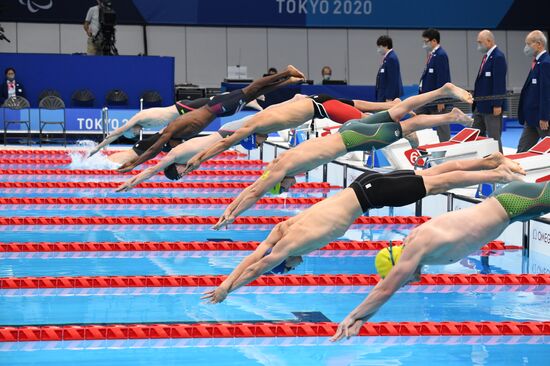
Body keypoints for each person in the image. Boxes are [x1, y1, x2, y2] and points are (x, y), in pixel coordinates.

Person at [201, 153, 526, 304]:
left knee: (440, 184)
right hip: (363, 184)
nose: (296, 266)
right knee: (436, 174)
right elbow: (257, 252)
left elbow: (260, 264)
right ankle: (489, 161)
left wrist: (228, 290)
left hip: (371, 195)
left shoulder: (290, 246)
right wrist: (227, 280)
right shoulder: (284, 228)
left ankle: (500, 175)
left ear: (286, 261)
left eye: (288, 268)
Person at [209, 83, 475, 228]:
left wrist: (232, 216)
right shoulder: (281, 162)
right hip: (346, 130)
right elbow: (252, 188)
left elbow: (255, 192)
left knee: (409, 125)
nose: (292, 185)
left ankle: (449, 114)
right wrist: (229, 209)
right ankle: (445, 94)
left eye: (286, 187)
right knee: (400, 110)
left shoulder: (281, 169)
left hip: (355, 140)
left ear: (280, 181)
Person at [331, 179, 549, 341]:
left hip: (513, 203)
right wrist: (363, 319)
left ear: (399, 266)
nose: (408, 282)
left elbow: (385, 289)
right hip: (510, 209)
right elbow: (387, 287)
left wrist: (350, 317)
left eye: (403, 278)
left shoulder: (417, 247)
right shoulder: (417, 249)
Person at [108, 66, 306, 172]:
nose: (176, 146)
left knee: (251, 90)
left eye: (172, 145)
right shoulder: (179, 137)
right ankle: (288, 80)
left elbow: (152, 150)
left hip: (217, 106)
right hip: (221, 111)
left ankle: (287, 72)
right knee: (253, 94)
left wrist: (135, 164)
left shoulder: (170, 131)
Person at [180, 94, 400, 175]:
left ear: (249, 137)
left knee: (364, 123)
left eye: (254, 145)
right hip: (316, 101)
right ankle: (391, 106)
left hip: (321, 107)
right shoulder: (265, 120)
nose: (258, 146)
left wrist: (199, 159)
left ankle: (400, 118)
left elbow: (225, 143)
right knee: (358, 106)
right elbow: (292, 99)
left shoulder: (255, 126)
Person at [113, 116, 268, 191]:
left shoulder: (176, 155)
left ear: (175, 168)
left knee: (268, 117)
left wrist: (131, 183)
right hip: (231, 139)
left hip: (227, 133)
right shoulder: (190, 163)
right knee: (266, 131)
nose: (184, 174)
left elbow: (152, 170)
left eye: (180, 174)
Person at [472, 30, 507, 152]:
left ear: (489, 41)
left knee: (494, 139)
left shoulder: (498, 57)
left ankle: (500, 167)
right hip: (480, 106)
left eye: (480, 42)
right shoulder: (486, 57)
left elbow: (499, 83)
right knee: (476, 136)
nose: (478, 45)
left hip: (492, 107)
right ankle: (483, 163)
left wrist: (497, 104)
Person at [517, 30, 550, 152]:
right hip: (531, 118)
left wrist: (544, 117)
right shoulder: (537, 63)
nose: (526, 47)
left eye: (528, 44)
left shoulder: (545, 63)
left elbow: (546, 93)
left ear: (539, 44)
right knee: (521, 150)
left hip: (542, 119)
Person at [417, 28, 452, 142]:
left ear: (434, 41)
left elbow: (443, 78)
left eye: (426, 41)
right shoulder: (433, 55)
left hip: (436, 101)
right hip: (427, 99)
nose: (424, 44)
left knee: (442, 127)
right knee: (416, 117)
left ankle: (447, 149)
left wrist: (441, 100)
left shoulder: (441, 55)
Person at [375, 35, 404, 102]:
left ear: (386, 46)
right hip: (383, 94)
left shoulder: (391, 58)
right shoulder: (387, 58)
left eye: (379, 47)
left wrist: (389, 97)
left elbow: (393, 79)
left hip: (387, 97)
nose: (378, 49)